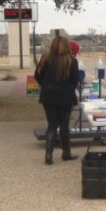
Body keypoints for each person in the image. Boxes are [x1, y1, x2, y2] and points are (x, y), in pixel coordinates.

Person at [35, 36, 79, 165]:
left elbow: (37, 76)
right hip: (65, 97)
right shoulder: (71, 61)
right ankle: (66, 152)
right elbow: (75, 80)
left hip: (48, 96)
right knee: (64, 126)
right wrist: (68, 88)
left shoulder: (45, 59)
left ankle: (49, 154)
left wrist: (46, 85)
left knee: (52, 125)